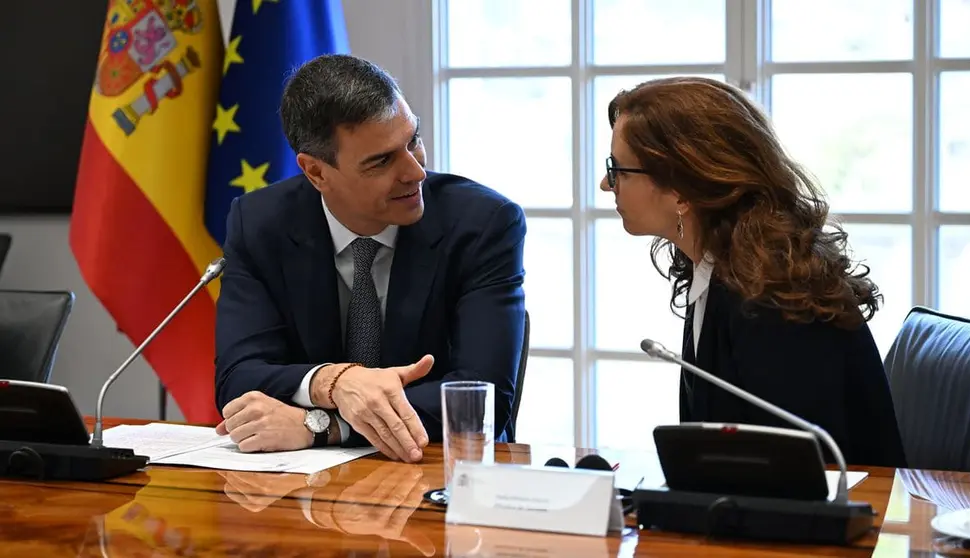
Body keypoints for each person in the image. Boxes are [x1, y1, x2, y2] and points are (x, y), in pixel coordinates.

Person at [213, 54, 526, 463]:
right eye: (382, 161)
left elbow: (481, 398)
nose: (415, 172)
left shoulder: (483, 224)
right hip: (304, 493)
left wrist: (322, 427)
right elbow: (238, 377)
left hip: (441, 477)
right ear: (316, 173)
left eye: (413, 140)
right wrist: (335, 382)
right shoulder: (260, 224)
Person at [600, 76, 907, 468]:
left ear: (680, 189)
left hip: (854, 522)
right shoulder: (717, 270)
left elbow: (795, 474)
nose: (607, 184)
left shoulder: (774, 298)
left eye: (619, 169)